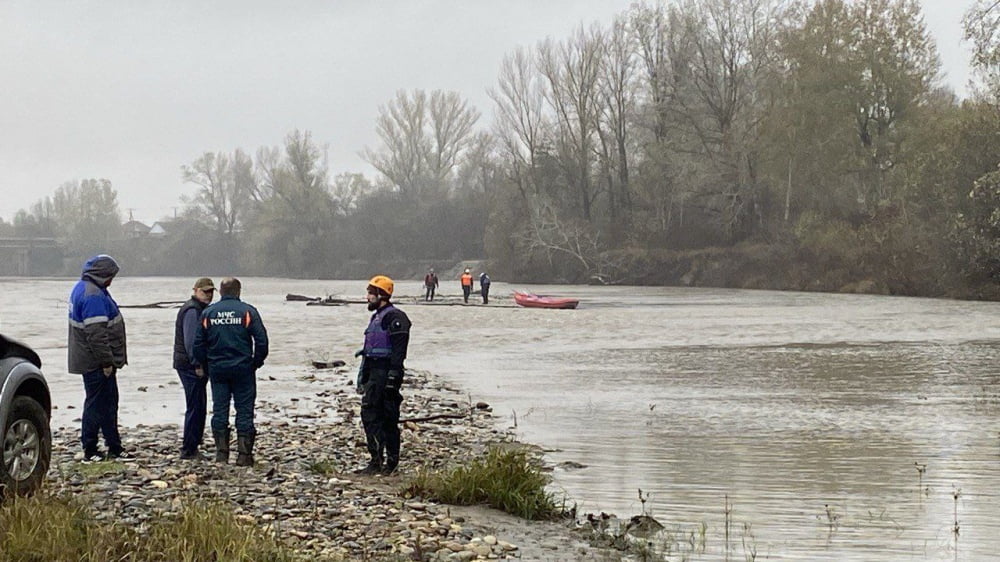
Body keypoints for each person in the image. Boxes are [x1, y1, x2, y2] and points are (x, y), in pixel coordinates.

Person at [193, 277, 268, 467]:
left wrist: (206, 364)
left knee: (220, 410)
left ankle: (222, 454)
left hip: (217, 369)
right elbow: (262, 341)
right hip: (243, 368)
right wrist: (255, 363)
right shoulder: (248, 312)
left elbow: (198, 345)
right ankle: (244, 456)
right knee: (244, 410)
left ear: (220, 291)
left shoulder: (208, 314)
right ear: (238, 292)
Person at [68, 254, 133, 462]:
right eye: (111, 276)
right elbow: (96, 335)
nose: (112, 280)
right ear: (103, 275)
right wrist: (107, 362)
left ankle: (113, 446)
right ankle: (91, 449)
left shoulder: (85, 287)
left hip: (92, 360)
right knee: (97, 405)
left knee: (107, 403)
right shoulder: (93, 296)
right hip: (95, 363)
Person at [356, 275, 411, 475]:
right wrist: (364, 376)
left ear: (382, 295)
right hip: (375, 372)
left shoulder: (395, 318)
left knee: (387, 417)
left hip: (386, 372)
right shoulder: (377, 317)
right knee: (371, 414)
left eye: (371, 293)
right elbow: (369, 351)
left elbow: (399, 352)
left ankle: (390, 462)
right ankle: (377, 460)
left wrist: (392, 378)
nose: (367, 297)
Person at [173, 277, 215, 460]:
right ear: (195, 290)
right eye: (205, 291)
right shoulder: (192, 310)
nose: (209, 295)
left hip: (192, 364)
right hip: (189, 365)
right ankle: (189, 448)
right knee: (195, 405)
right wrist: (197, 364)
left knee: (199, 404)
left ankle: (194, 444)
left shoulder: (201, 309)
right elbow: (191, 341)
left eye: (211, 292)